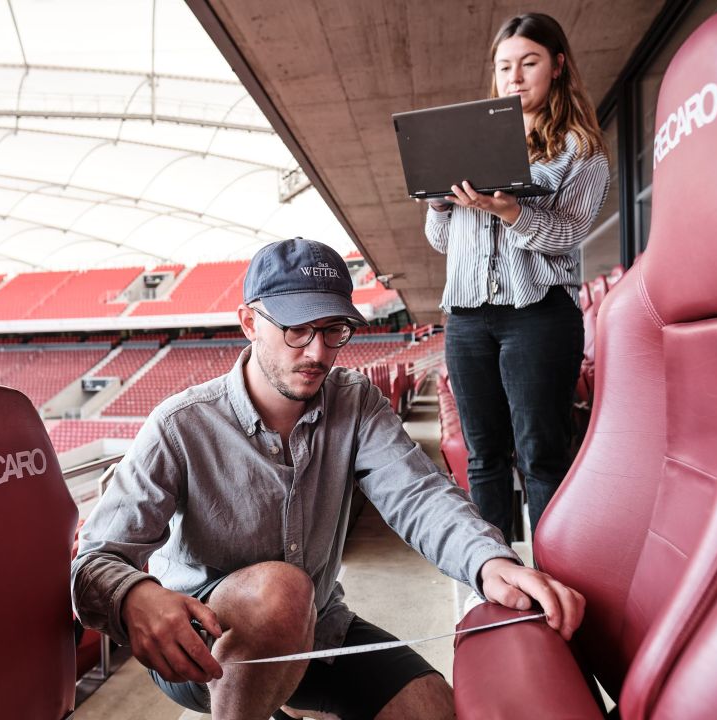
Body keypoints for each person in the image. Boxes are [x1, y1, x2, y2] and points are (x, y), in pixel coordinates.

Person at [71, 237, 585, 720]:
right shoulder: (180, 423)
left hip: (318, 625)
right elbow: (93, 561)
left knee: (433, 707)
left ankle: (292, 691)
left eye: (334, 330)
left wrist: (488, 560)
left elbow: (417, 492)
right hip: (200, 647)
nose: (318, 353)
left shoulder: (355, 400)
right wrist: (135, 594)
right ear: (249, 322)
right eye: (298, 329)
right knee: (282, 592)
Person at [424, 13, 611, 542]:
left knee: (541, 456)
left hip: (538, 318)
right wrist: (441, 204)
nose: (515, 76)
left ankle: (555, 570)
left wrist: (509, 211)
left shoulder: (580, 151)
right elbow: (442, 243)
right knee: (483, 457)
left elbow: (566, 235)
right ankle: (496, 574)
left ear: (557, 66)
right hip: (466, 320)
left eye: (529, 62)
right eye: (505, 66)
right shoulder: (465, 148)